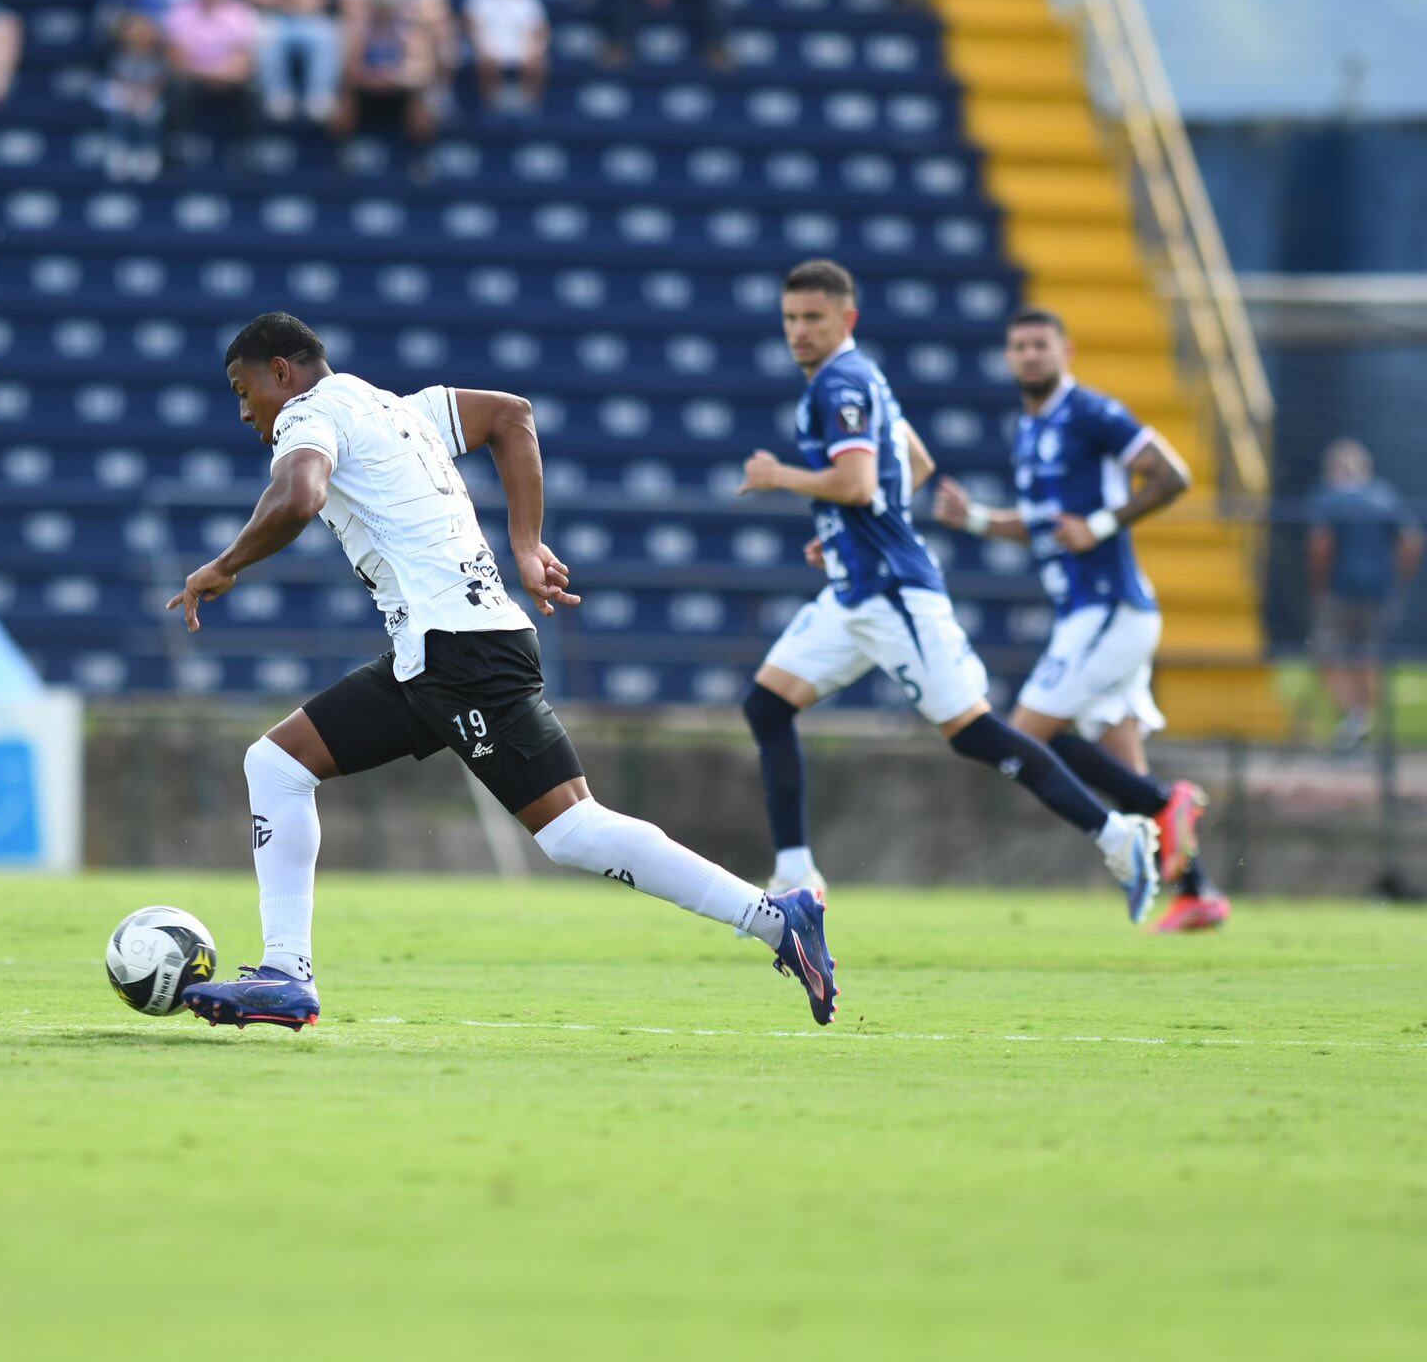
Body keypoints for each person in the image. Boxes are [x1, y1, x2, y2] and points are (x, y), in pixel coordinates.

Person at [163, 313, 838, 1030]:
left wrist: (224, 564)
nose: (245, 412)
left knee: (572, 830)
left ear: (282, 372)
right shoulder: (400, 410)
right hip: (439, 651)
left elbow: (300, 496)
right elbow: (511, 415)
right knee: (276, 764)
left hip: (458, 654)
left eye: (244, 391)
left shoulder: (309, 414)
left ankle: (775, 919)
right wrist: (526, 544)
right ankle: (286, 974)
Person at [735, 262, 1163, 923]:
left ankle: (1118, 837)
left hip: (894, 596)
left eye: (813, 317)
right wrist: (845, 533)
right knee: (767, 705)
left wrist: (779, 476)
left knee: (975, 733)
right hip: (855, 590)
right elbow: (917, 463)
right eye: (790, 318)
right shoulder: (857, 377)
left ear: (847, 319)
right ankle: (796, 877)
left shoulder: (841, 383)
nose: (799, 331)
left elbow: (857, 483)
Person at [933, 308, 1230, 933]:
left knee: (1025, 735)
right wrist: (976, 519)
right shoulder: (1029, 429)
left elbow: (1172, 475)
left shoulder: (1091, 412)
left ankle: (1166, 802)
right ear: (1008, 357)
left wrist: (1099, 525)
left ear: (1065, 351)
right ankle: (1197, 891)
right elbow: (1042, 526)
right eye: (1019, 347)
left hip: (1109, 607)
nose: (1029, 355)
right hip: (1086, 613)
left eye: (1040, 345)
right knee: (1123, 765)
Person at [1307, 438, 1424, 750]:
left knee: (1325, 652)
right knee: (1366, 657)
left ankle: (1353, 718)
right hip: (1378, 593)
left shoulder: (1329, 498)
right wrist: (1397, 577)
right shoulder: (1384, 496)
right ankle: (1362, 725)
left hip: (1340, 591)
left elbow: (1321, 544)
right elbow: (1412, 540)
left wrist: (1319, 585)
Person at [334, 0, 440, 176]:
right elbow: (349, 70)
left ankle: (419, 159)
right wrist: (372, 79)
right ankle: (342, 157)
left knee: (421, 103)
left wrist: (395, 77)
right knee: (345, 99)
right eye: (380, 7)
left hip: (400, 90)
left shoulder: (410, 33)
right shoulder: (359, 32)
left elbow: (422, 70)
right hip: (366, 89)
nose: (384, 12)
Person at [162, 0, 262, 167]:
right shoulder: (180, 14)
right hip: (194, 78)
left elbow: (245, 62)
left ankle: (245, 149)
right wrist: (210, 74)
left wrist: (224, 74)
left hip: (229, 79)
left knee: (252, 91)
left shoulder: (240, 14)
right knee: (178, 87)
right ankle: (181, 145)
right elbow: (177, 61)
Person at [251, 0, 342, 124]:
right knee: (267, 34)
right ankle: (278, 95)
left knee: (326, 36)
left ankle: (320, 96)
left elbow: (320, 1)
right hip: (278, 19)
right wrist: (281, 2)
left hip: (314, 19)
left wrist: (302, 4)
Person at [101, 11, 168, 181]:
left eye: (142, 34)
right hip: (126, 93)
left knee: (150, 112)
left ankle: (147, 150)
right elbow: (117, 77)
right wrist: (129, 94)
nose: (138, 38)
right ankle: (119, 148)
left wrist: (145, 95)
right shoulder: (118, 55)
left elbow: (159, 82)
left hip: (148, 96)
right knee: (118, 107)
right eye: (134, 34)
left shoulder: (157, 57)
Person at [465, 0, 547, 113]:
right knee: (487, 61)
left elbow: (541, 29)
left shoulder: (528, 1)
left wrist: (536, 47)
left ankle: (530, 106)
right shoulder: (480, 0)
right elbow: (471, 25)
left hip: (521, 46)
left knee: (537, 63)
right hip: (488, 45)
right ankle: (490, 106)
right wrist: (482, 45)